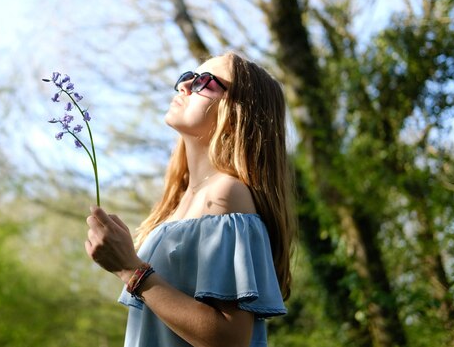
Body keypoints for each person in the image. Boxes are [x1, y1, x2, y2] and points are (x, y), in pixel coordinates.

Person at [85, 52, 296, 347]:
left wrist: (130, 270)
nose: (184, 86)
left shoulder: (226, 194)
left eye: (204, 83)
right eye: (187, 77)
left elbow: (229, 339)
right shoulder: (177, 205)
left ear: (238, 112)